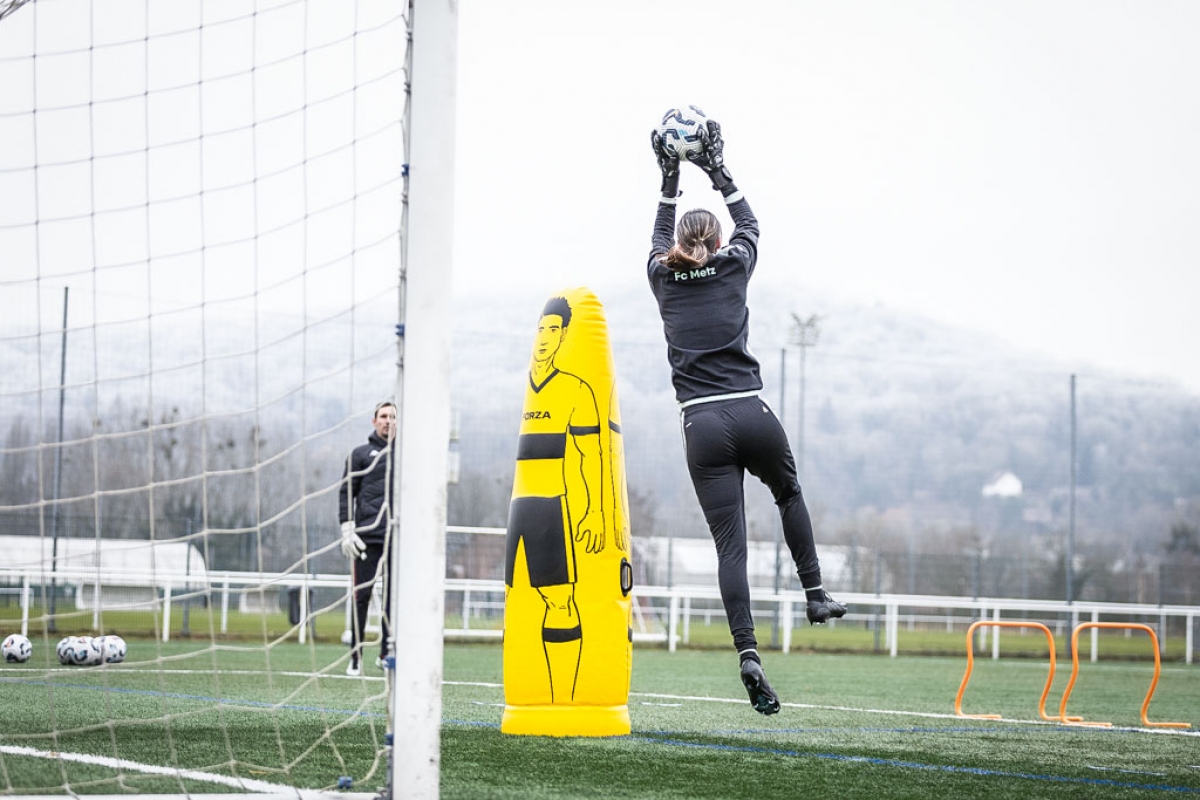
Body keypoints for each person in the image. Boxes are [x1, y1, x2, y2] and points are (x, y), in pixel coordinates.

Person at [647, 116, 846, 715]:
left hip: (701, 425)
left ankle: (748, 654)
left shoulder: (662, 277)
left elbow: (659, 238)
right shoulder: (734, 265)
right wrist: (718, 170)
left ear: (681, 244)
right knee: (788, 493)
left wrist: (669, 177)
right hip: (751, 410)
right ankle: (815, 594)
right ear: (716, 241)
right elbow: (750, 225)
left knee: (730, 548)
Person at [504, 296, 609, 702]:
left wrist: (595, 511)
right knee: (517, 599)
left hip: (550, 506)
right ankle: (527, 697)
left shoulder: (575, 389)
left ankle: (563, 700)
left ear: (564, 335)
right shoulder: (524, 390)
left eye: (553, 329)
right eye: (541, 329)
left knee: (560, 600)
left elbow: (591, 454)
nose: (545, 337)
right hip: (518, 506)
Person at [338, 400, 397, 676]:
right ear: (374, 421)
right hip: (366, 538)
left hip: (396, 539)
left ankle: (387, 654)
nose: (388, 421)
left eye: (392, 416)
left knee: (393, 601)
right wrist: (347, 528)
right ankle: (355, 656)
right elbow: (346, 492)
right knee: (361, 596)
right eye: (383, 416)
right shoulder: (360, 454)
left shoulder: (407, 456)